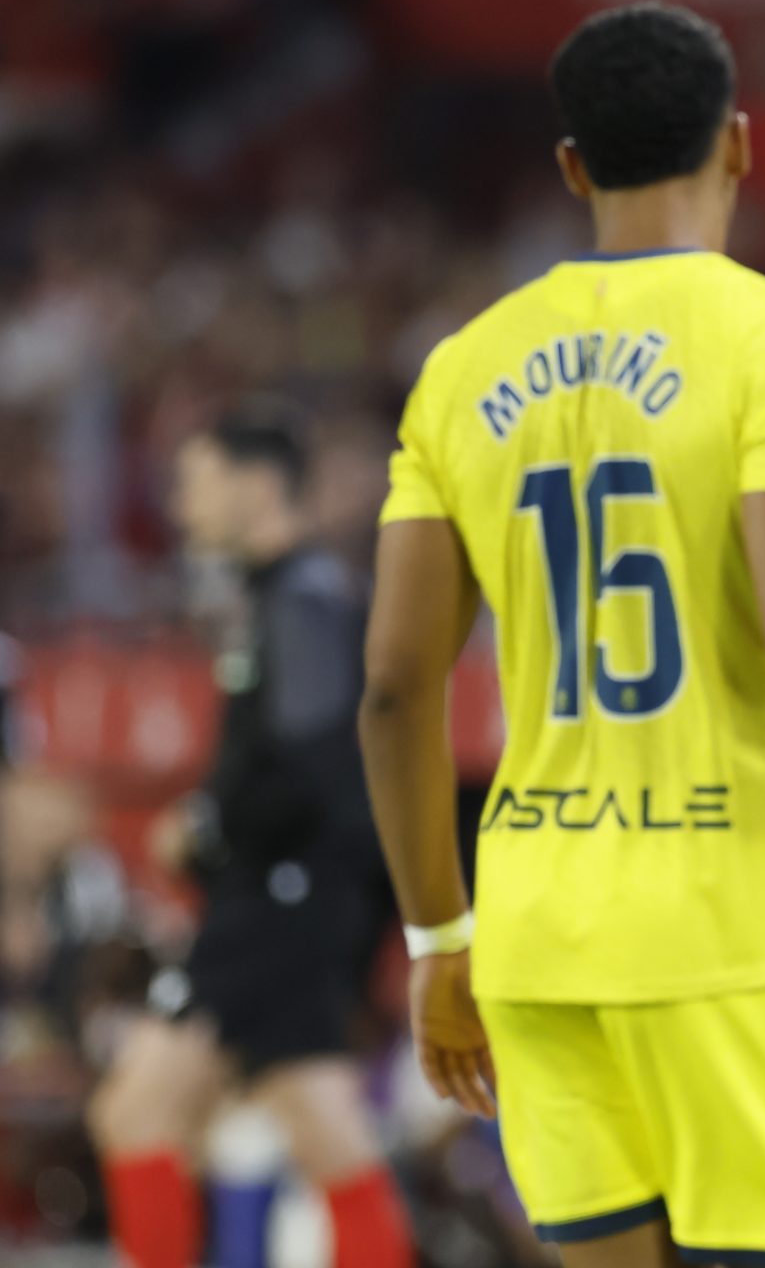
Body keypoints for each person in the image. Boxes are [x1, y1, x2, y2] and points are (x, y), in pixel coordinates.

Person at [357, 4, 765, 1268]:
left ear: (572, 167)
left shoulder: (460, 368)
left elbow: (395, 685)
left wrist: (439, 939)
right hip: (736, 930)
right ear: (738, 145)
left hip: (538, 941)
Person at [87, 411, 413, 1268]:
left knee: (135, 1114)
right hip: (297, 902)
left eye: (197, 481)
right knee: (324, 1126)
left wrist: (205, 824)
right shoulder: (290, 597)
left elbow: (314, 770)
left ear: (260, 486)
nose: (180, 504)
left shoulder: (302, 601)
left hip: (278, 903)